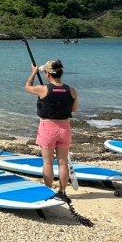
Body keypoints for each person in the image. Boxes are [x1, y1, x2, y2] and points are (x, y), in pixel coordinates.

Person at [24, 59, 79, 202]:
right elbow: (74, 109)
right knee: (63, 162)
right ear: (61, 73)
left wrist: (34, 73)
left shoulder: (43, 89)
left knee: (47, 162)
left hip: (48, 128)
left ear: (48, 74)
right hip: (65, 128)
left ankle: (48, 190)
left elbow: (27, 87)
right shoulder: (71, 90)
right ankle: (62, 191)